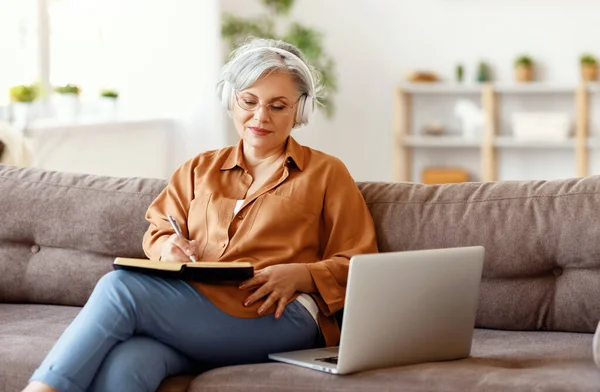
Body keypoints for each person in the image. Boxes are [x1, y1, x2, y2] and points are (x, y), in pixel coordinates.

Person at [23, 37, 378, 392]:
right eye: (249, 101)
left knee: (121, 288)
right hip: (197, 312)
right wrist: (169, 249)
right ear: (231, 101)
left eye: (278, 106)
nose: (260, 116)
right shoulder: (198, 169)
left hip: (280, 316)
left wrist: (303, 275)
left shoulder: (327, 173)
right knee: (130, 361)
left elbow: (361, 260)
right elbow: (160, 229)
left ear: (298, 111)